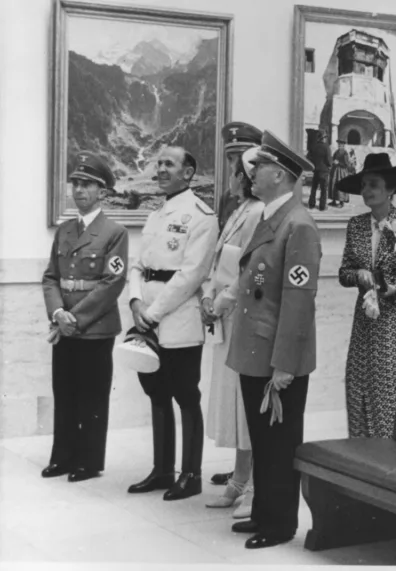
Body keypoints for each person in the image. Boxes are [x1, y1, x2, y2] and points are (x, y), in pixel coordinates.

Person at [225, 129, 321, 550]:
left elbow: (299, 303)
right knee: (262, 439)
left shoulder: (298, 225)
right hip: (256, 348)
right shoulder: (271, 217)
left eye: (260, 165)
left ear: (280, 174)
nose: (253, 172)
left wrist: (284, 364)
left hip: (276, 356)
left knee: (279, 442)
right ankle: (265, 510)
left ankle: (280, 523)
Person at [127, 146, 219, 501]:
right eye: (159, 163)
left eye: (170, 164)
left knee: (185, 395)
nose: (161, 169)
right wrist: (135, 300)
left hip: (177, 321)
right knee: (156, 393)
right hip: (146, 318)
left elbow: (191, 275)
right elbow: (139, 265)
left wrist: (151, 313)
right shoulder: (155, 214)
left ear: (188, 173)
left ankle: (191, 474)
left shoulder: (201, 215)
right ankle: (162, 470)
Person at [41, 151, 129, 482]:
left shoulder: (114, 232)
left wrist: (74, 318)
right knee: (64, 391)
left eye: (88, 185)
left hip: (94, 328)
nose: (79, 190)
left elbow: (112, 283)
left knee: (92, 394)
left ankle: (89, 462)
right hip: (64, 325)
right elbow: (51, 277)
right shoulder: (64, 231)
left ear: (102, 192)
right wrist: (57, 312)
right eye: (76, 184)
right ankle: (63, 456)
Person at [337, 153, 396, 438]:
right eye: (364, 185)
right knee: (358, 384)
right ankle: (359, 448)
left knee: (387, 387)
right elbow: (344, 272)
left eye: (374, 185)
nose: (367, 191)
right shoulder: (355, 225)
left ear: (390, 190)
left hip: (393, 321)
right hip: (363, 320)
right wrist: (359, 275)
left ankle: (386, 452)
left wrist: (395, 289)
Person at [200, 147, 266, 516]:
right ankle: (239, 479)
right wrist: (209, 297)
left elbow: (249, 269)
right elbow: (220, 261)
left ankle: (253, 484)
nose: (234, 175)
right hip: (225, 317)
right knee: (234, 404)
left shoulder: (257, 212)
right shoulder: (238, 211)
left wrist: (221, 300)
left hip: (241, 316)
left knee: (246, 406)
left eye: (236, 169)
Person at [218, 122, 262, 232]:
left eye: (241, 157)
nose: (235, 165)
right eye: (231, 159)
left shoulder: (265, 195)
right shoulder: (228, 197)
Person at [308, 131, 331, 211]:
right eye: (325, 138)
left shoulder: (313, 146)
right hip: (324, 171)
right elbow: (328, 160)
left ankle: (311, 204)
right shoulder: (326, 147)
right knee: (324, 190)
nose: (325, 139)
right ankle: (322, 207)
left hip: (316, 171)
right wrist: (330, 165)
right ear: (323, 138)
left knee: (313, 188)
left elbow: (309, 157)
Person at [328, 139, 350, 208]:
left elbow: (346, 164)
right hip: (335, 171)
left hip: (341, 172)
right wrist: (333, 161)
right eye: (339, 145)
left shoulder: (345, 153)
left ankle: (341, 202)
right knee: (333, 185)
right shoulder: (336, 152)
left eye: (340, 145)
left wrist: (339, 163)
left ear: (343, 145)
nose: (339, 146)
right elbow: (333, 158)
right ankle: (334, 201)